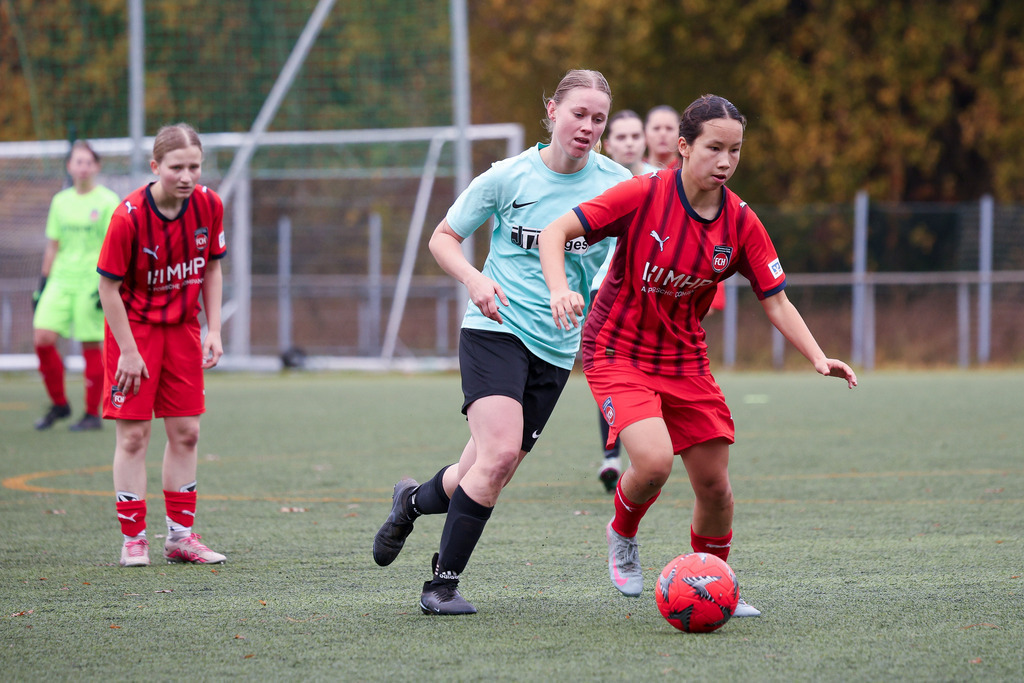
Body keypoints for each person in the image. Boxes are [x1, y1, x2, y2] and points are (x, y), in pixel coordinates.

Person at [539, 94, 857, 617]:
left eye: (735, 150)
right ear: (684, 147)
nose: (726, 161)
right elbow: (557, 232)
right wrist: (558, 289)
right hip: (617, 348)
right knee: (655, 462)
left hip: (684, 360)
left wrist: (818, 357)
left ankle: (714, 583)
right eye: (714, 148)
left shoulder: (740, 222)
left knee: (716, 488)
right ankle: (622, 533)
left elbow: (775, 300)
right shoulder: (643, 195)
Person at [371, 69, 632, 615]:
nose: (587, 126)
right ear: (552, 111)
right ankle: (440, 586)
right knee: (499, 453)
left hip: (557, 349)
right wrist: (475, 280)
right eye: (578, 113)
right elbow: (442, 238)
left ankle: (410, 503)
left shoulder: (616, 185)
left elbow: (628, 258)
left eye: (598, 118)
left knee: (487, 468)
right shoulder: (507, 177)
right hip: (495, 328)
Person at [96, 123, 227, 568]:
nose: (187, 175)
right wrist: (129, 351)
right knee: (134, 436)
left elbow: (211, 268)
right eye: (177, 167)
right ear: (155, 167)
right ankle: (133, 538)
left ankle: (180, 537)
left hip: (183, 333)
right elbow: (108, 288)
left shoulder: (209, 205)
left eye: (194, 166)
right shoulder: (128, 216)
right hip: (134, 333)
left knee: (187, 433)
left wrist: (213, 329)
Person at [32, 140, 121, 431]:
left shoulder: (108, 201)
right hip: (60, 279)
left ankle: (91, 413)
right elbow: (52, 246)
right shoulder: (60, 201)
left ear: (96, 167)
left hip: (92, 282)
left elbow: (117, 244)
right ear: (69, 166)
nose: (82, 167)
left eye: (88, 162)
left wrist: (110, 284)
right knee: (42, 338)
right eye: (77, 161)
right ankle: (60, 404)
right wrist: (42, 284)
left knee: (90, 344)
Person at [644, 105, 682, 169]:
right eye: (656, 128)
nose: (663, 134)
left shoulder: (688, 172)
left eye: (669, 128)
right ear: (644, 134)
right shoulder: (634, 171)